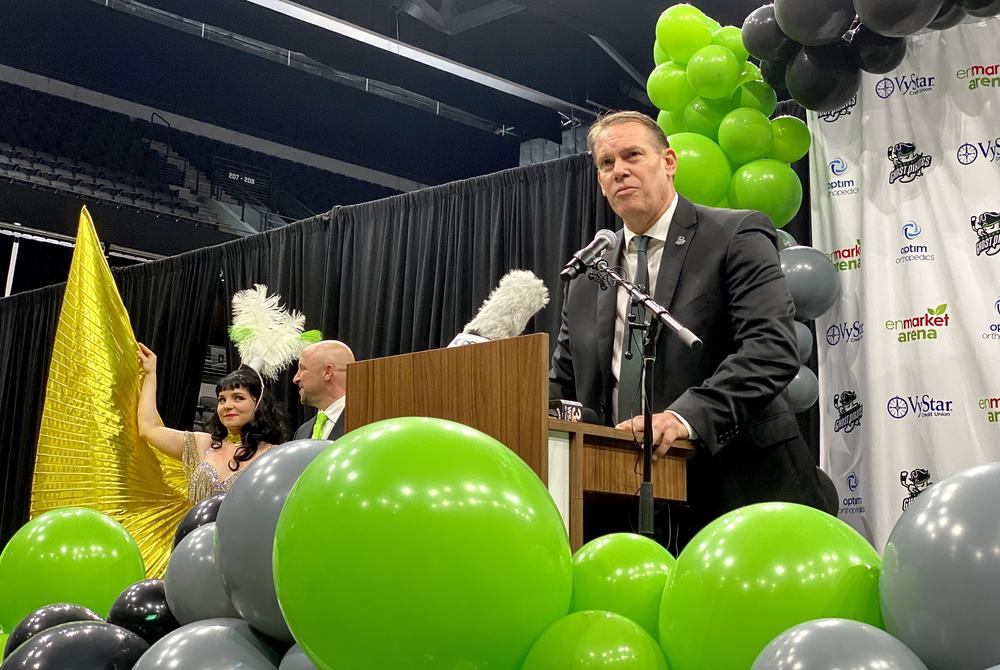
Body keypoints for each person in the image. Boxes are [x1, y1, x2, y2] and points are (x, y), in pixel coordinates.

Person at [549, 110, 830, 539]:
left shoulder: (734, 234)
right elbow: (564, 384)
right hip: (617, 498)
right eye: (606, 164)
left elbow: (771, 348)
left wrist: (683, 419)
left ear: (669, 162)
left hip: (739, 487)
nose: (619, 170)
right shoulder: (590, 276)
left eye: (632, 155)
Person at [137, 342, 289, 502]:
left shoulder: (275, 456)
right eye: (222, 400)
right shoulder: (202, 444)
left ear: (259, 403)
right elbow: (148, 428)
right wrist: (150, 373)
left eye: (238, 398)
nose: (227, 406)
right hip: (195, 528)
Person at [291, 340, 355, 441]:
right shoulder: (302, 433)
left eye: (302, 369)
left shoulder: (366, 424)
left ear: (327, 372)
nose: (295, 379)